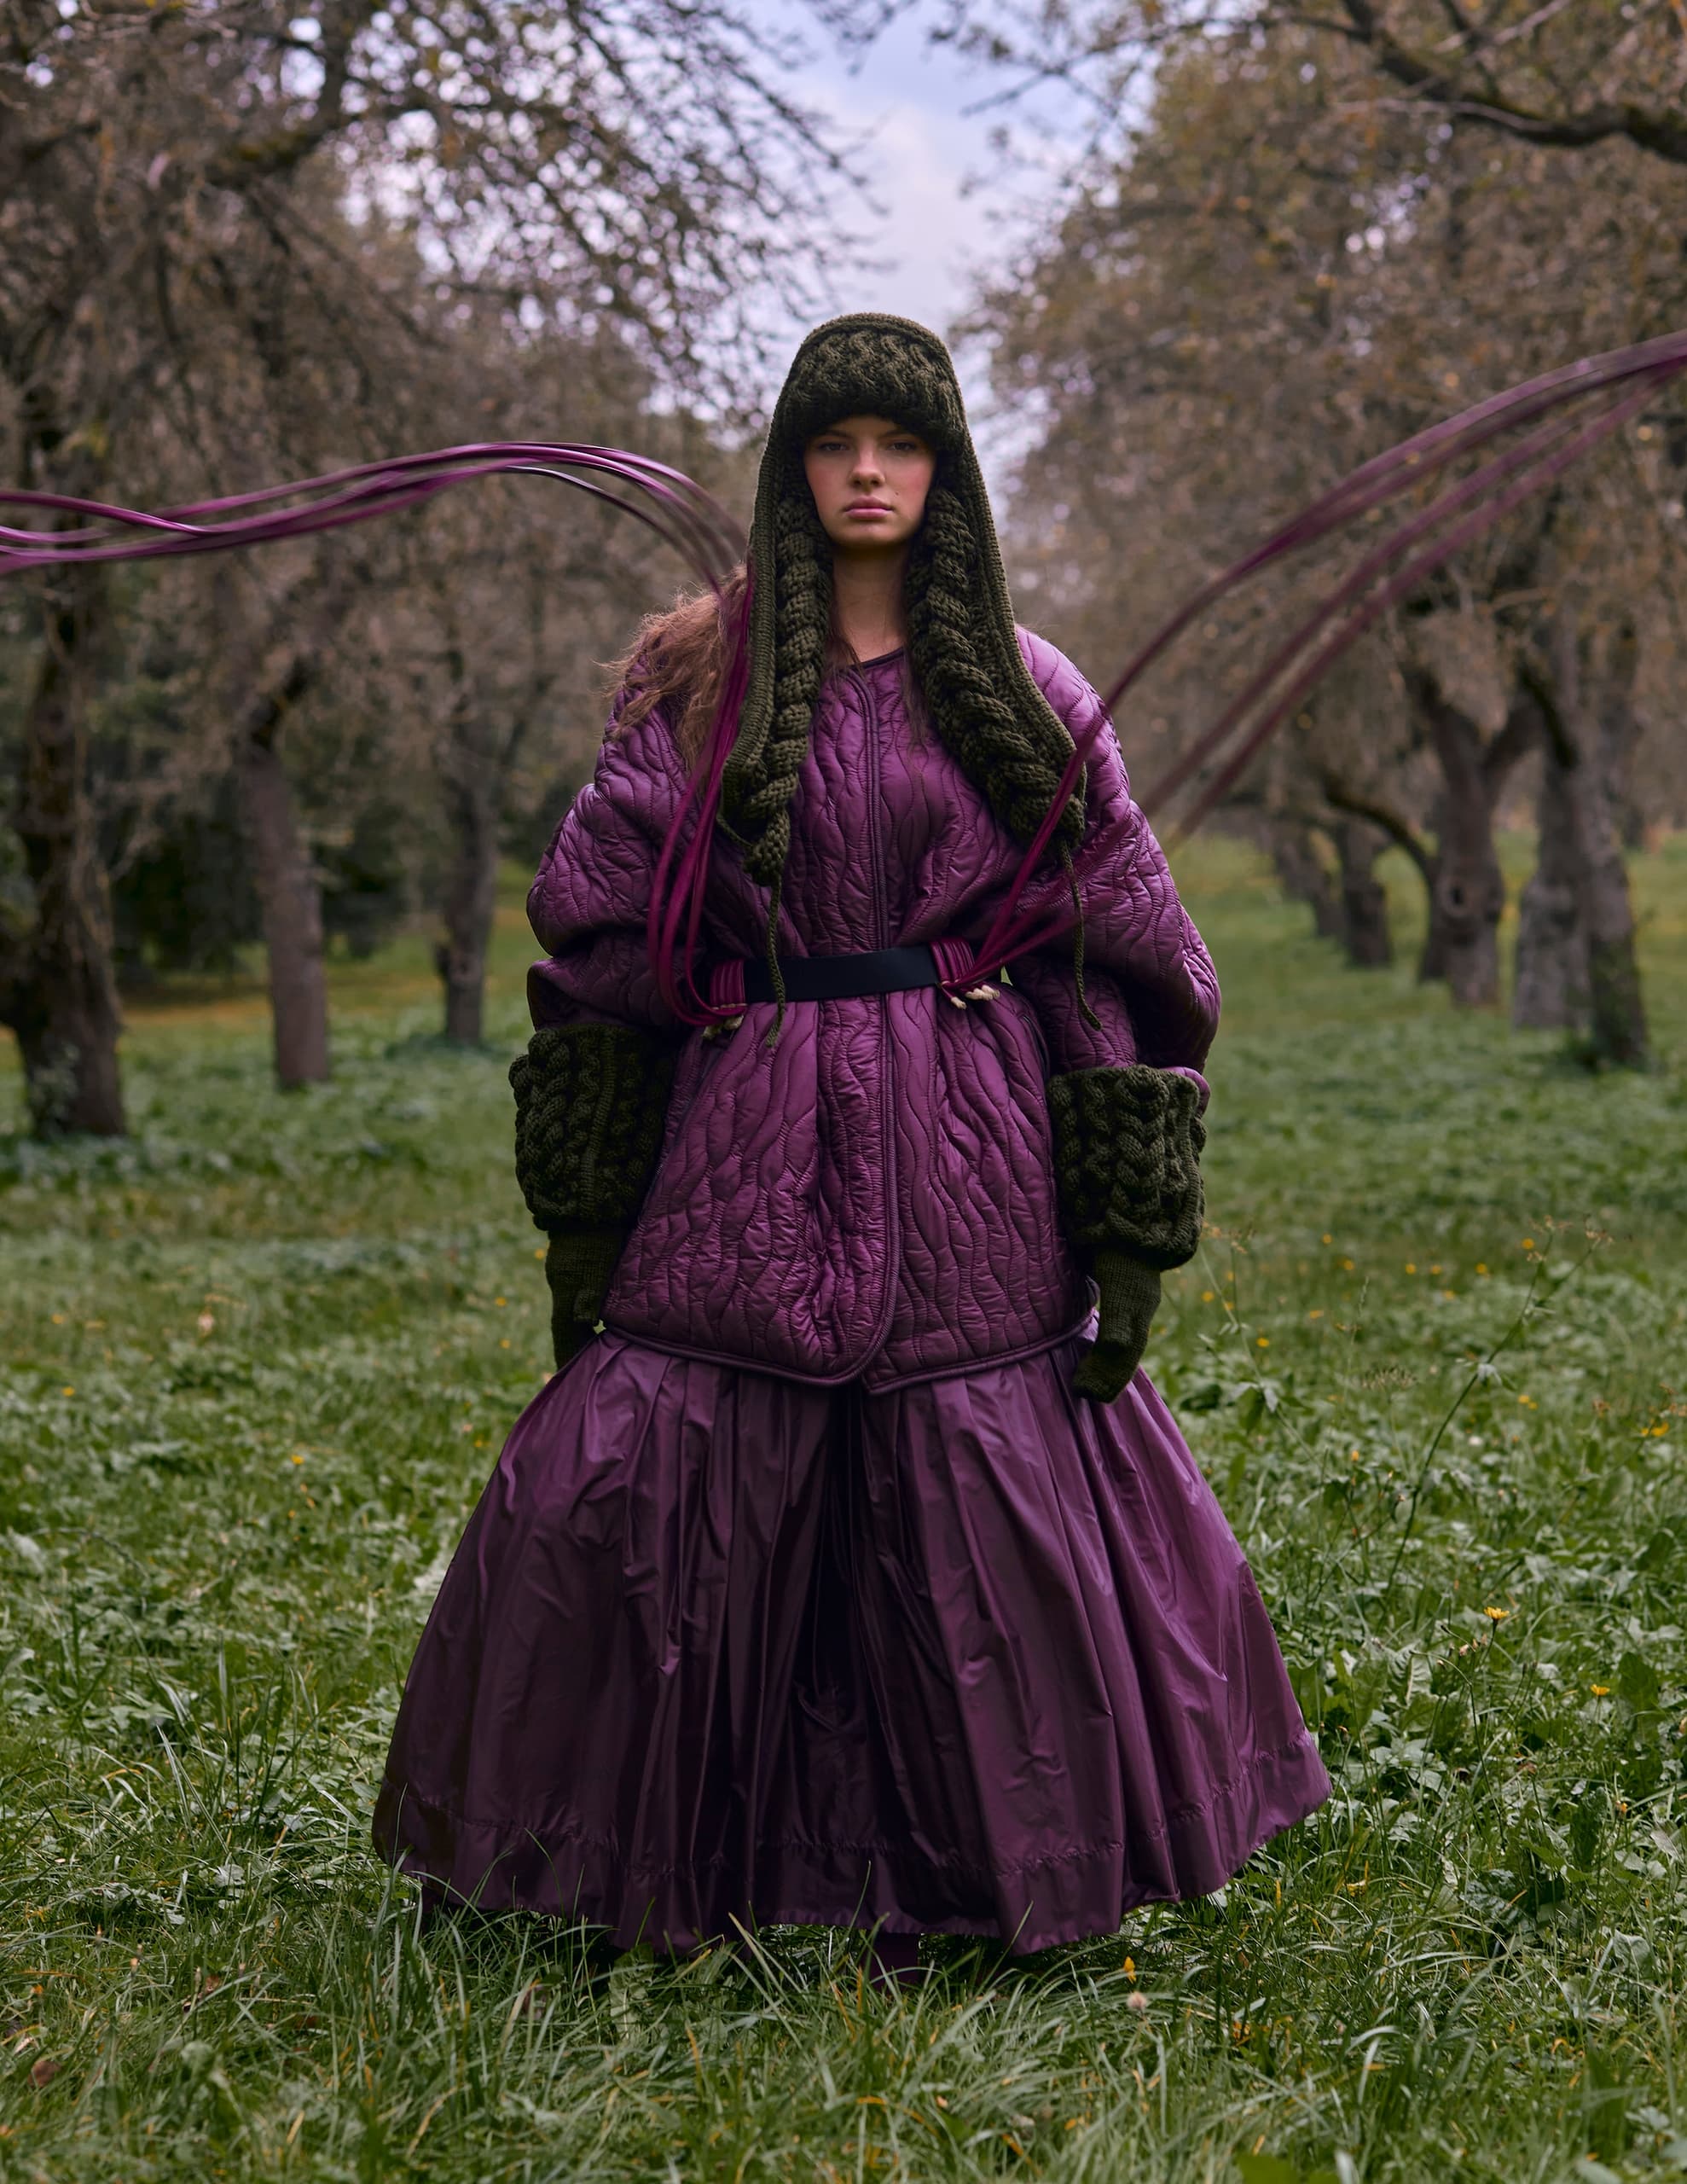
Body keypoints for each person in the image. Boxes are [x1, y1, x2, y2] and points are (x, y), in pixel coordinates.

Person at [372, 312, 1330, 1979]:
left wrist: (1123, 1226)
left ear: (944, 466)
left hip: (973, 1153)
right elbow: (597, 956)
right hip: (745, 1139)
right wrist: (585, 1221)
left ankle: (991, 1867)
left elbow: (1117, 958)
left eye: (900, 441)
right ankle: (637, 1854)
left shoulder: (1032, 696)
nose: (868, 470)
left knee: (980, 1492)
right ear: (792, 468)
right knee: (634, 1460)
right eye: (836, 443)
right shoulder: (690, 686)